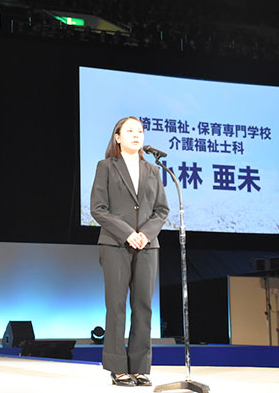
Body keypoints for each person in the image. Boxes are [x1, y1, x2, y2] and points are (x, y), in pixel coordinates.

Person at [90, 116, 169, 387]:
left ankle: (140, 368)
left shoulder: (153, 170)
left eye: (140, 131)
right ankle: (117, 368)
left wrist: (145, 234)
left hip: (147, 245)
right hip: (115, 244)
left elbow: (162, 210)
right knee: (116, 306)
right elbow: (98, 209)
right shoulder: (106, 167)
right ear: (118, 137)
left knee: (143, 306)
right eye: (130, 131)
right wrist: (128, 233)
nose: (137, 135)